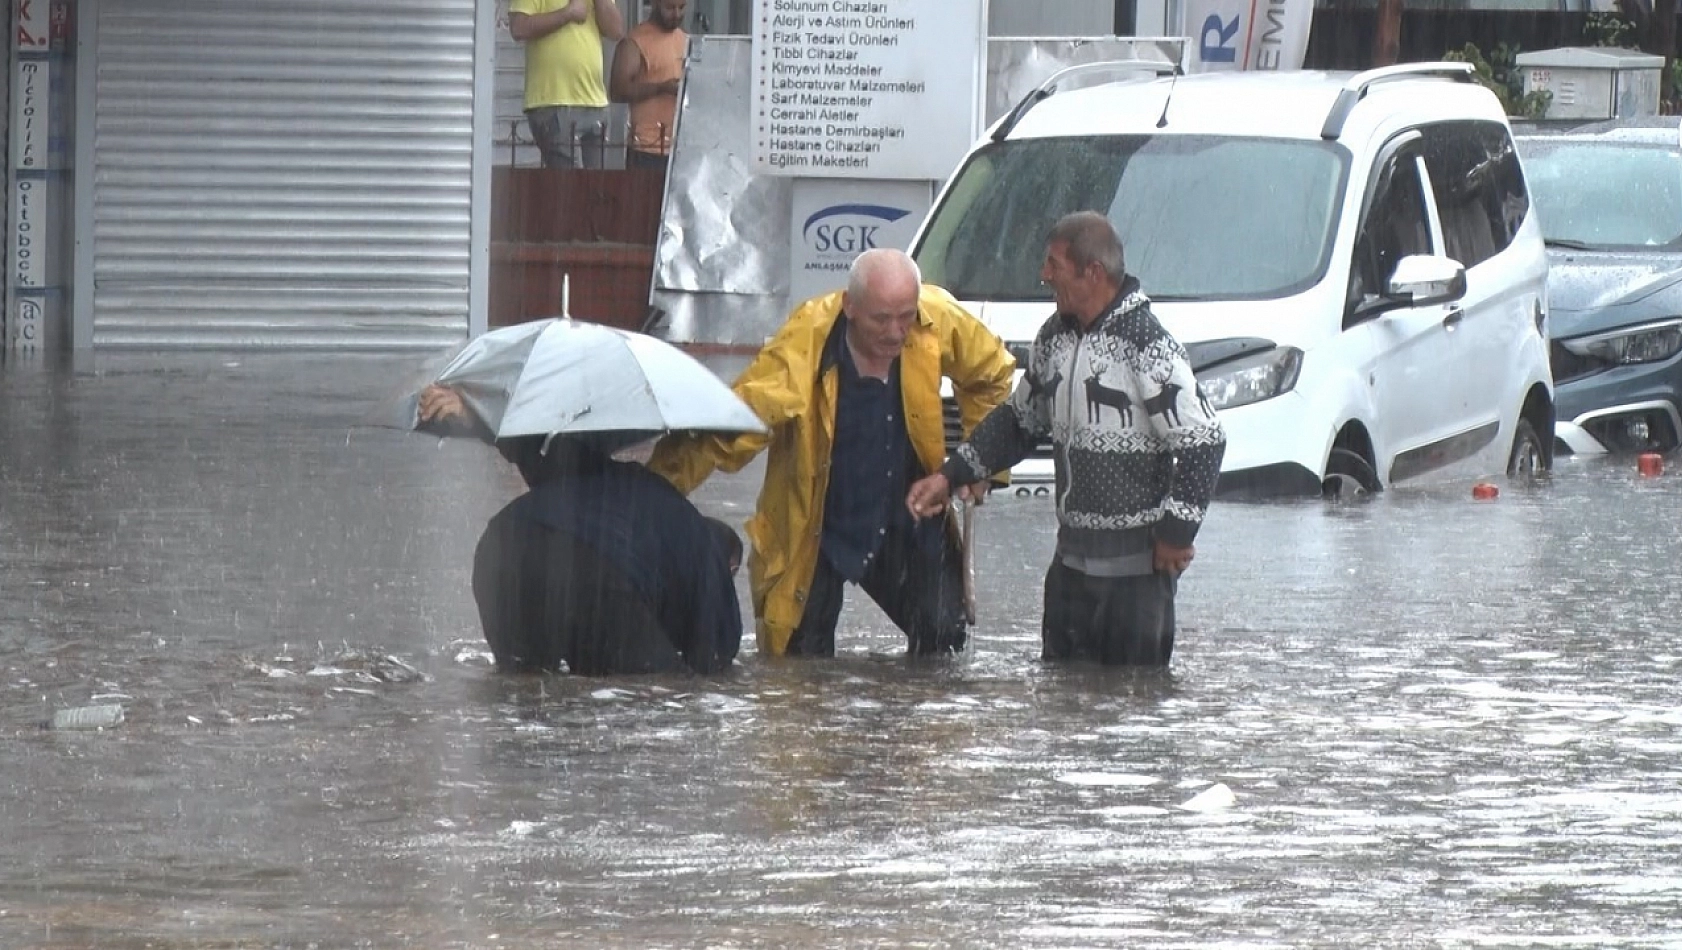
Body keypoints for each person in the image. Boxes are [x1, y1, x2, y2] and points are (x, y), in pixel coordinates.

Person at [646, 249, 1016, 659]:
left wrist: (978, 463)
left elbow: (993, 374)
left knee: (946, 649)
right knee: (799, 672)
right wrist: (652, 493)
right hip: (818, 530)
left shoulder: (937, 317)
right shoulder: (803, 346)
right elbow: (729, 428)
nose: (896, 332)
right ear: (850, 306)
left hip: (907, 519)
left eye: (905, 317)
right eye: (881, 319)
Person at [905, 212, 1227, 667]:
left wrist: (1175, 535)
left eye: (1053, 264)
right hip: (1070, 574)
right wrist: (953, 473)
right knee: (1062, 712)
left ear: (1092, 273)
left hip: (1136, 582)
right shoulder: (1053, 339)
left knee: (1135, 716)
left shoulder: (1148, 345)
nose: (1044, 274)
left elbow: (1204, 443)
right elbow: (1019, 421)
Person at [418, 385, 743, 675]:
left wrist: (477, 414)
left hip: (502, 547)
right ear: (729, 564)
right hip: (595, 574)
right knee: (647, 696)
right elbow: (716, 653)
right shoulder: (705, 554)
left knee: (523, 691)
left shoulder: (615, 487)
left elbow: (540, 448)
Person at [509, 0, 626, 169]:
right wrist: (567, 14)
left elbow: (615, 31)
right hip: (553, 101)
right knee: (567, 186)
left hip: (594, 101)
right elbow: (519, 27)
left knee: (597, 187)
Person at [609, 0, 688, 172]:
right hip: (647, 147)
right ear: (654, 4)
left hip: (679, 146)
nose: (676, 14)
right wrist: (662, 88)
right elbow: (618, 90)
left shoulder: (684, 39)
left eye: (681, 7)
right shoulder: (635, 41)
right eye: (669, 7)